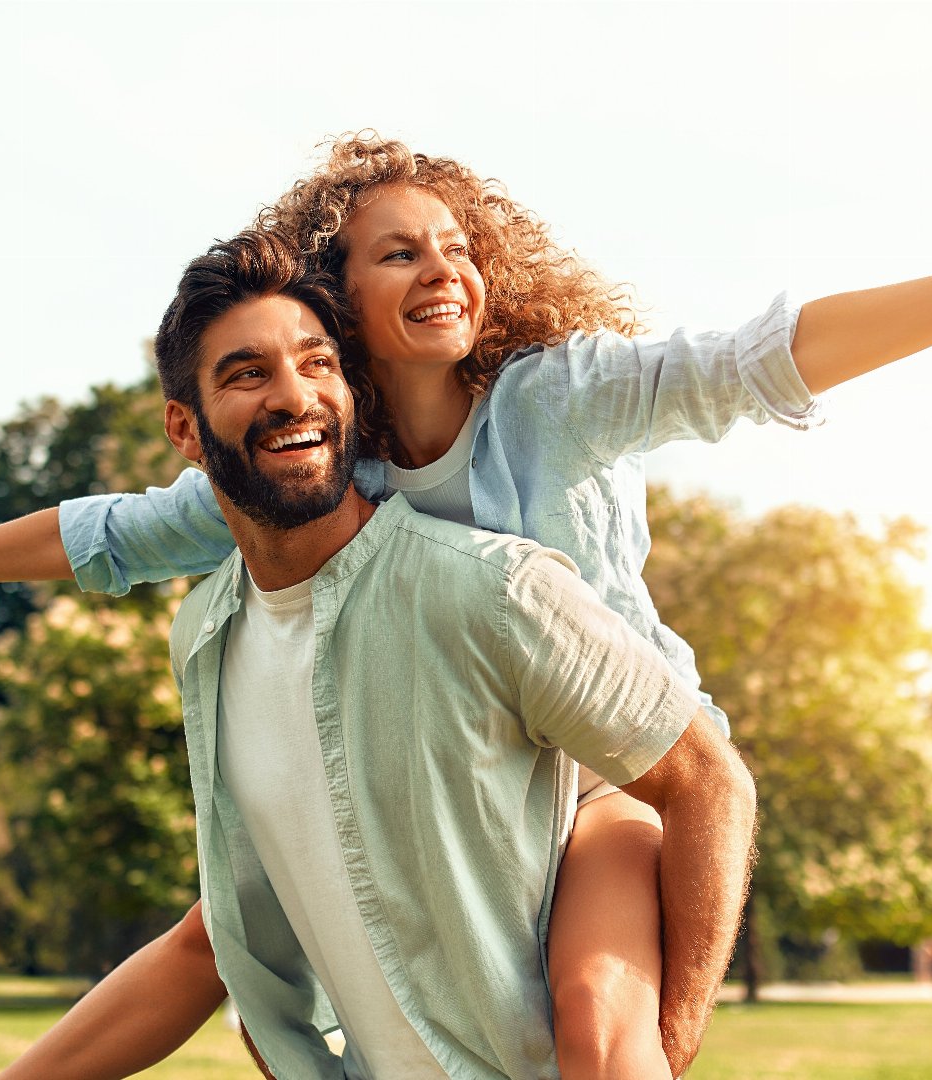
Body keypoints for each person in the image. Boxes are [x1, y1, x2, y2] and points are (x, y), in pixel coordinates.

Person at [0, 135, 932, 1078]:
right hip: (445, 786)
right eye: (398, 252)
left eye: (456, 245)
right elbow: (107, 535)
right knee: (221, 929)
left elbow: (770, 358)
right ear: (338, 296)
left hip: (604, 791)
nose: (442, 269)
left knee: (601, 1025)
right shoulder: (313, 459)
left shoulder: (557, 401)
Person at [153, 226, 753, 1077]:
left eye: (317, 362)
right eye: (249, 373)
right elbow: (217, 944)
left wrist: (674, 1033)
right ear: (185, 426)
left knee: (601, 1022)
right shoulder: (212, 638)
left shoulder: (496, 585)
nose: (293, 395)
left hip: (613, 782)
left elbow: (705, 779)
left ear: (351, 388)